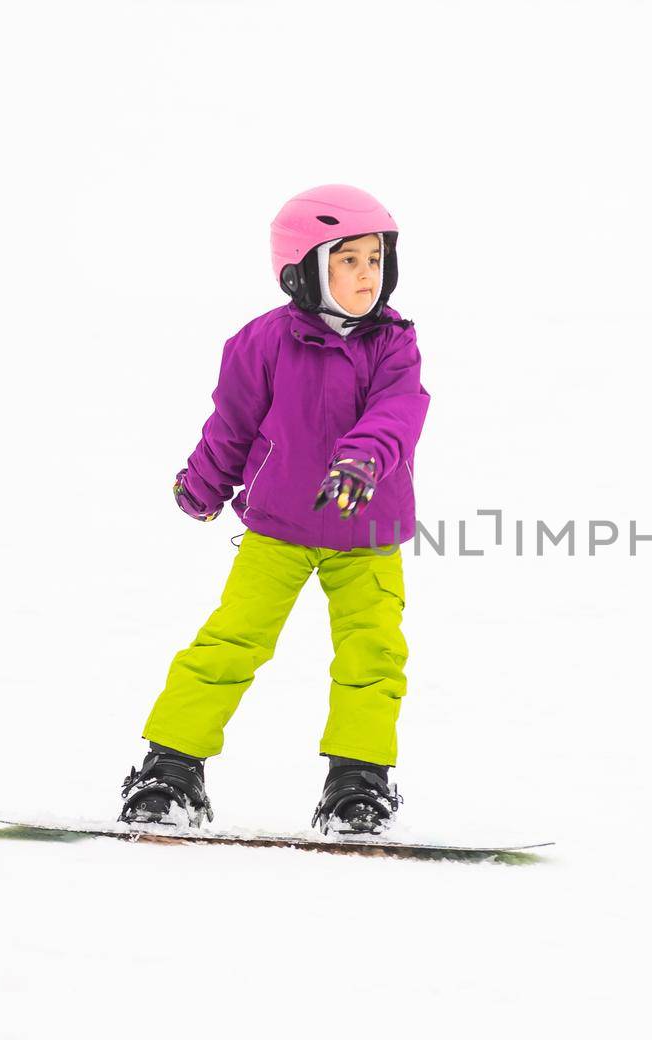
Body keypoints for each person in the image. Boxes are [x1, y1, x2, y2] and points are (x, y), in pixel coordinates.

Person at [118, 184, 429, 835]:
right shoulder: (260, 342)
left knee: (373, 656)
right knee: (230, 642)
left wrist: (362, 459)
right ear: (303, 269)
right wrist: (203, 486)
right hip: (279, 531)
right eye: (347, 261)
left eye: (375, 259)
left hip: (367, 534)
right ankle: (169, 769)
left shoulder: (394, 344)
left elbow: (397, 414)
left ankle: (357, 783)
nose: (366, 276)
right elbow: (231, 425)